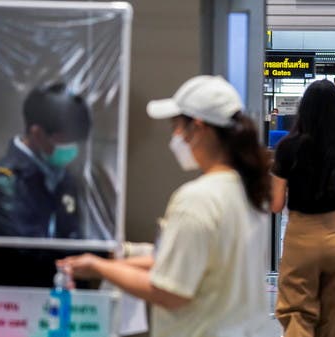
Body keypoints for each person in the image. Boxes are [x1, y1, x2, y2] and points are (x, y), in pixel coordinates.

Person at [58, 75, 272, 337]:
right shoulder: (248, 191)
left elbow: (169, 292)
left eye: (177, 127)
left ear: (199, 128)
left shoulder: (197, 200)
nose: (175, 137)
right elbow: (196, 264)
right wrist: (117, 259)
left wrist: (99, 268)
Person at [271, 80, 335, 337]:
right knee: (334, 321)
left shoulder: (287, 148)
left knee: (297, 314)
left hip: (300, 237)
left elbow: (275, 203)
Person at [0, 82, 92, 287]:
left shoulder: (63, 177)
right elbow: (28, 251)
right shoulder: (3, 182)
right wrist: (85, 264)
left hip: (67, 297)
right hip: (18, 303)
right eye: (64, 140)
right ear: (37, 134)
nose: (72, 149)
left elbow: (73, 236)